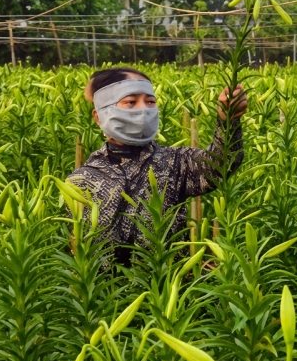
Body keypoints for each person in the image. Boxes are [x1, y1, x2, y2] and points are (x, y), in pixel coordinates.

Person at [67, 67, 247, 266]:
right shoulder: (83, 179)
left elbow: (220, 164)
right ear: (98, 116)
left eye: (150, 102)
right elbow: (77, 247)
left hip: (166, 280)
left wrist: (228, 120)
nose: (143, 110)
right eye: (131, 102)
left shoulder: (175, 161)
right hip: (104, 285)